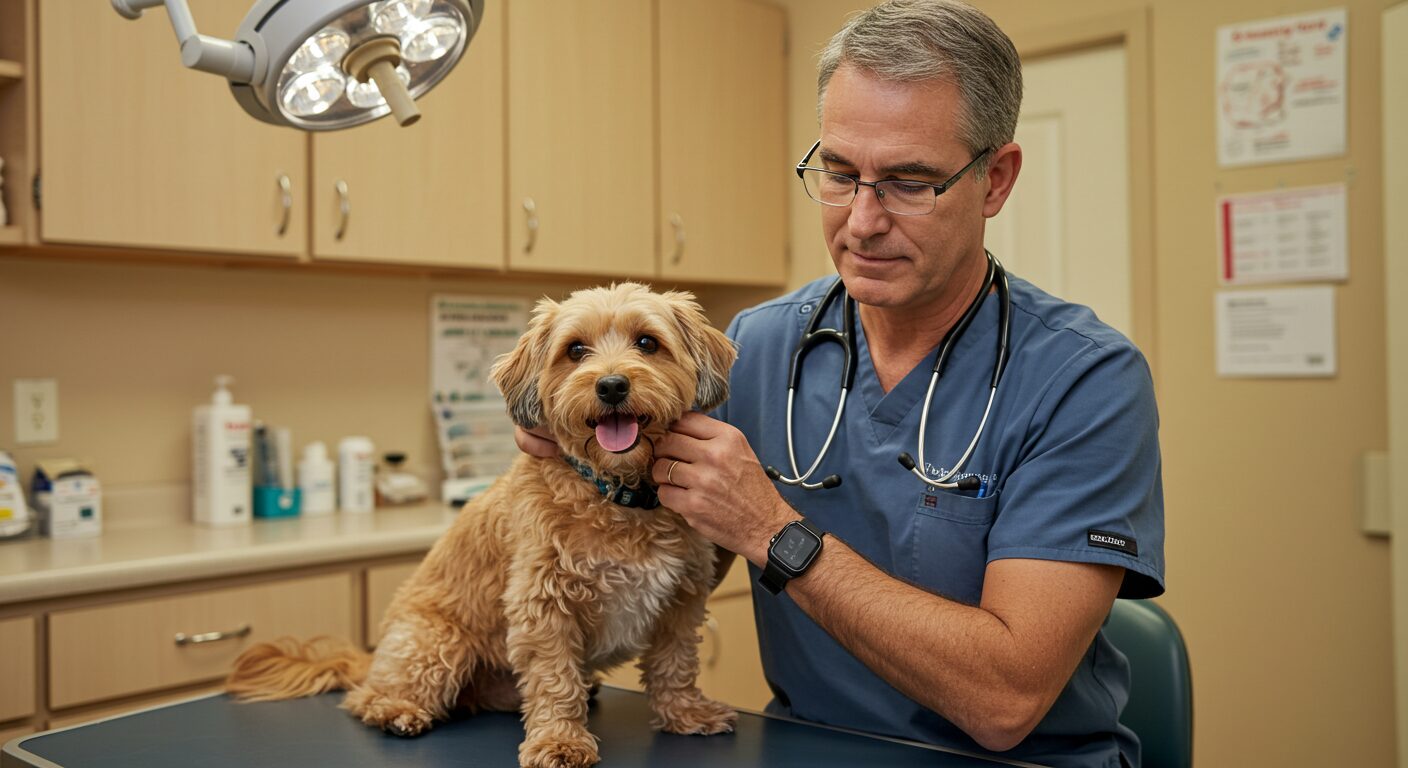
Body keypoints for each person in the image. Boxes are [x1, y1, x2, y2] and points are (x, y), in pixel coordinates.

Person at [517, 1, 1163, 765]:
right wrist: (584, 453)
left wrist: (772, 532)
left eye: (909, 181)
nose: (861, 221)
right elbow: (667, 554)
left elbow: (1005, 700)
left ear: (996, 180)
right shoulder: (757, 347)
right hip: (805, 748)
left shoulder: (1084, 379)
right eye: (838, 172)